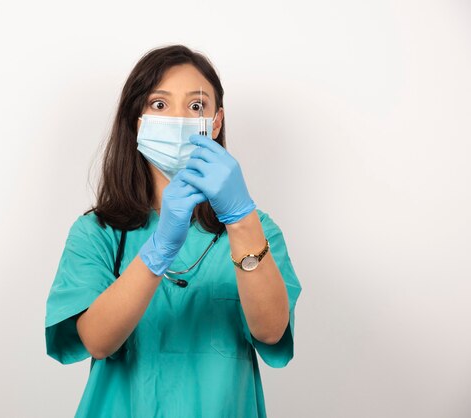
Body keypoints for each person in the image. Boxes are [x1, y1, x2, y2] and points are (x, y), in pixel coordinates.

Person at [45, 44, 302, 418]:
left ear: (215, 123)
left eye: (196, 106)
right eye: (160, 105)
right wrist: (158, 249)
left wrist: (241, 219)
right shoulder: (97, 233)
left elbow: (271, 331)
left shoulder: (258, 231)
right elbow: (97, 341)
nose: (179, 118)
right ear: (138, 120)